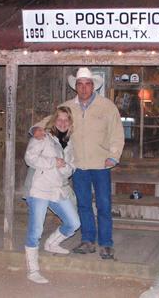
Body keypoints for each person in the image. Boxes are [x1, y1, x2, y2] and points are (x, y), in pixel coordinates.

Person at [33, 67, 125, 260]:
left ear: (93, 86)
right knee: (83, 204)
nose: (84, 88)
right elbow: (51, 120)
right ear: (76, 87)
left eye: (87, 84)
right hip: (78, 164)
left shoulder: (106, 106)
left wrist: (114, 156)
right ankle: (88, 240)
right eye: (80, 85)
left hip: (101, 164)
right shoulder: (68, 106)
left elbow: (117, 133)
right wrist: (37, 129)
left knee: (104, 205)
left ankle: (106, 243)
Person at [24, 106, 80, 284]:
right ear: (54, 121)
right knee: (36, 230)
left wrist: (64, 167)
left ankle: (51, 243)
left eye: (66, 120)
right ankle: (33, 270)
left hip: (58, 189)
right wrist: (52, 162)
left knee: (74, 223)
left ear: (70, 123)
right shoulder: (43, 137)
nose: (62, 123)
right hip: (39, 188)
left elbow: (71, 168)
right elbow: (29, 158)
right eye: (59, 119)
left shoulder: (70, 144)